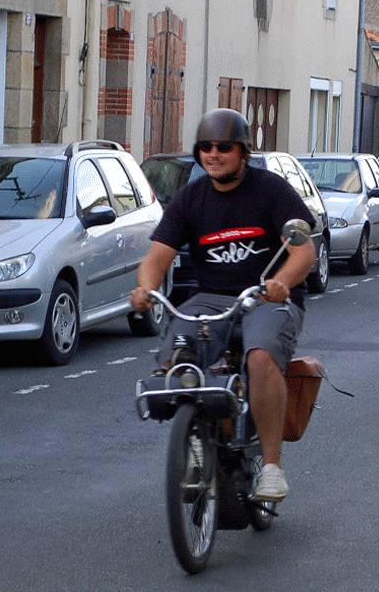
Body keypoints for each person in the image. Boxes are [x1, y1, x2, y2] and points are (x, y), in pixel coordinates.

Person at [130, 108, 317, 503]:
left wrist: (282, 282)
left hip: (265, 297)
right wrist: (146, 289)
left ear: (243, 151)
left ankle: (271, 468)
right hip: (211, 298)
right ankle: (196, 442)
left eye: (224, 147)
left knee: (260, 358)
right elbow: (156, 258)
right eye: (206, 147)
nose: (213, 154)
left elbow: (304, 252)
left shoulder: (271, 190)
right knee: (177, 357)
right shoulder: (190, 198)